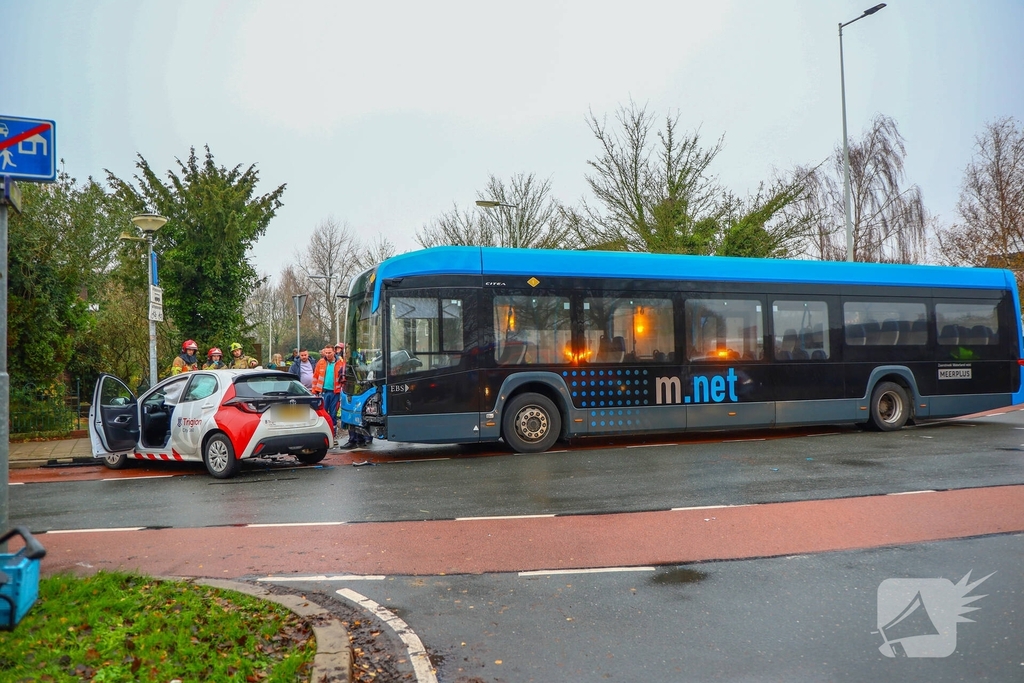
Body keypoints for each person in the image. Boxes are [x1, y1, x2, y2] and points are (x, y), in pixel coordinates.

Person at [312, 344, 344, 439]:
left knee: (333, 413)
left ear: (334, 352)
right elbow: (315, 377)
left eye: (329, 352)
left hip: (335, 392)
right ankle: (324, 432)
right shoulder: (321, 362)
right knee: (323, 413)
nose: (327, 355)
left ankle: (333, 433)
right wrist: (315, 391)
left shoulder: (340, 363)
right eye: (326, 353)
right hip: (324, 392)